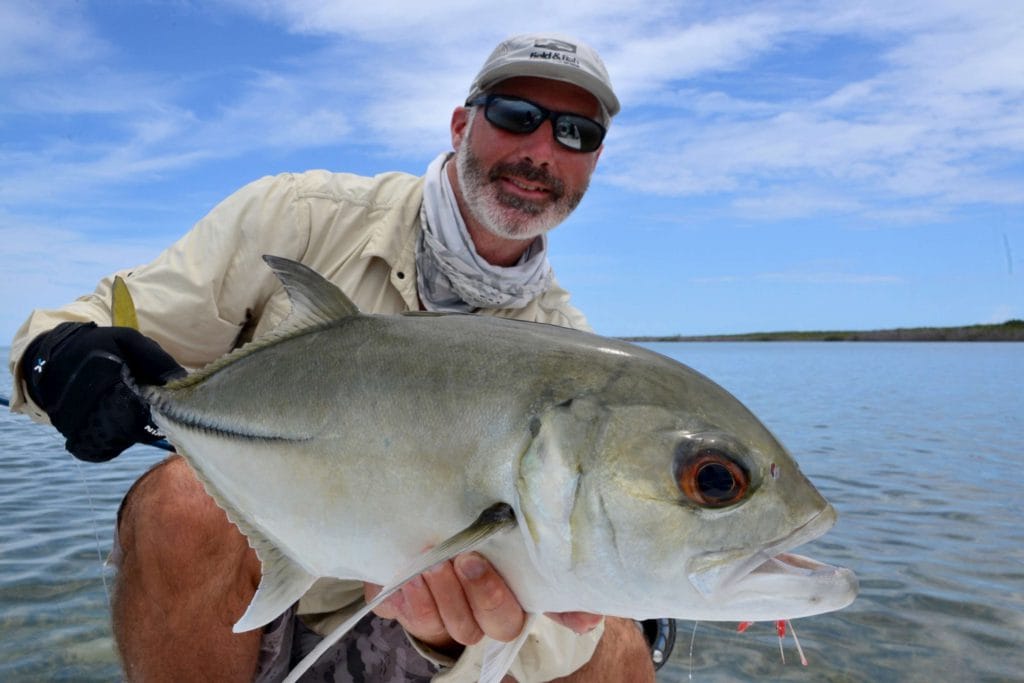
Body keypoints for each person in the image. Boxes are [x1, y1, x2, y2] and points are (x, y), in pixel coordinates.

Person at [8, 33, 660, 682]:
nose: (542, 151)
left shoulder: (573, 352)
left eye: (577, 134)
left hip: (412, 637)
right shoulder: (303, 218)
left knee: (617, 647)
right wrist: (54, 358)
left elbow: (554, 621)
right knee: (182, 500)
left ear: (596, 160)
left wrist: (453, 635)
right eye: (517, 116)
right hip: (255, 597)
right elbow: (74, 327)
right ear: (462, 123)